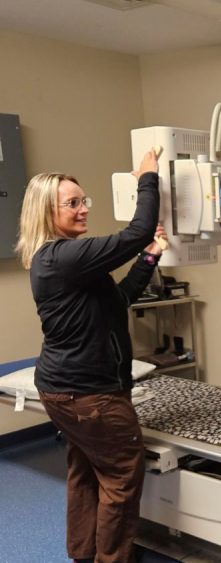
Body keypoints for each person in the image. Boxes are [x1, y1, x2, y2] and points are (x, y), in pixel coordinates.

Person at [16, 148, 166, 563]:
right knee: (121, 475)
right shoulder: (63, 257)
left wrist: (150, 255)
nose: (83, 209)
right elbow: (136, 230)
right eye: (73, 203)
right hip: (89, 395)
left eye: (84, 200)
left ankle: (83, 554)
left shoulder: (62, 259)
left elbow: (120, 299)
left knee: (84, 471)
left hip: (64, 390)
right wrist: (147, 177)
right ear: (47, 212)